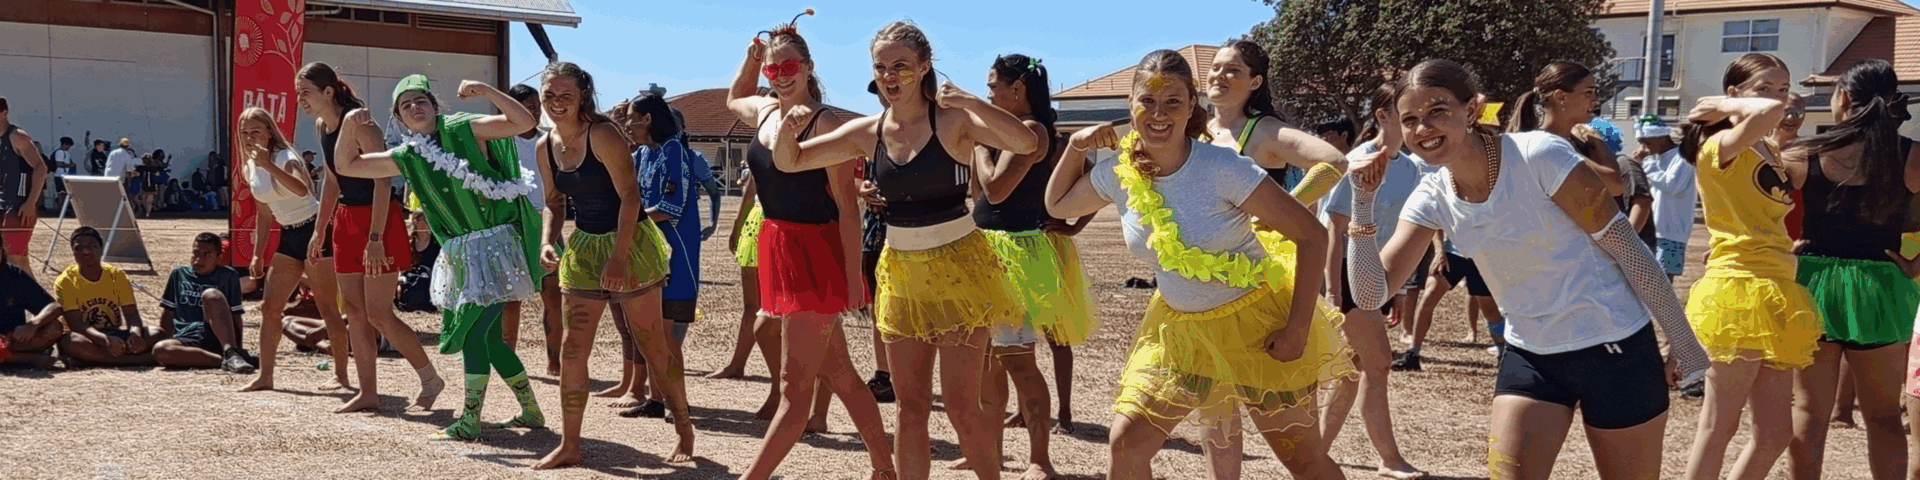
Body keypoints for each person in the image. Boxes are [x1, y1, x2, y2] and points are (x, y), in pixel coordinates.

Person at [1347, 59, 1708, 480]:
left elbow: (1630, 250)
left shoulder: (1538, 154)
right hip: (1532, 356)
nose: (1423, 127)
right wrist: (1361, 203)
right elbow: (1373, 294)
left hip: (1615, 347)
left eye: (1438, 110)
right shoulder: (1431, 194)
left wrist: (1684, 344)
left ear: (1472, 108)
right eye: (1410, 120)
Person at [1042, 49, 1348, 480]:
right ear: (1130, 105)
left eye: (1172, 102)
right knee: (1126, 446)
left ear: (1192, 107)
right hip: (1179, 331)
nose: (1158, 113)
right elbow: (1056, 204)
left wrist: (1297, 329)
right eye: (1147, 101)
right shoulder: (1120, 172)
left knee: (1303, 460)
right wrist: (1075, 146)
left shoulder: (1223, 167)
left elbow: (1311, 236)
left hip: (1257, 323)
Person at [773, 20, 1041, 480]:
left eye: (901, 66)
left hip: (961, 269)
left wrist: (971, 101)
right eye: (881, 67)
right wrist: (787, 127)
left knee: (961, 407)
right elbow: (791, 160)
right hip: (900, 271)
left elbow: (1027, 143)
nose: (890, 76)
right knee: (910, 407)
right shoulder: (868, 131)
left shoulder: (953, 120)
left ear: (924, 67)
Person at [726, 16, 900, 479]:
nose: (781, 75)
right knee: (840, 374)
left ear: (808, 67)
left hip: (816, 252)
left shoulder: (829, 123)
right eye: (772, 69)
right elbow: (731, 98)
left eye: (789, 67)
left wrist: (852, 278)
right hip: (779, 245)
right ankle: (886, 468)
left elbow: (847, 206)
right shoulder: (763, 111)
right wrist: (748, 61)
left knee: (792, 388)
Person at [334, 73, 547, 443]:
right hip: (463, 254)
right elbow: (348, 166)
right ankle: (530, 409)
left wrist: (484, 91)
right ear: (399, 120)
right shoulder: (408, 156)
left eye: (421, 100)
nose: (414, 107)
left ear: (435, 106)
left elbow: (525, 122)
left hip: (495, 246)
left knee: (476, 335)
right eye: (405, 105)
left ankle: (470, 419)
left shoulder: (466, 128)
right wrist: (348, 126)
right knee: (491, 340)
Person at [1197, 40, 1364, 480]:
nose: (1219, 76)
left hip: (1265, 281)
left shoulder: (1264, 131)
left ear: (1255, 82)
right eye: (1215, 68)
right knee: (1217, 412)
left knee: (1296, 434)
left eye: (1233, 70)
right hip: (1205, 283)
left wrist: (1284, 208)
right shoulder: (1196, 131)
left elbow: (1332, 161)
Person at [527, 64, 689, 465]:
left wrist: (618, 258)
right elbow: (553, 202)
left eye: (565, 95)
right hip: (583, 247)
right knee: (572, 348)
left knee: (653, 344)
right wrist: (547, 241)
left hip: (629, 244)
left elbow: (631, 197)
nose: (556, 103)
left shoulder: (602, 133)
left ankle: (685, 430)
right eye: (549, 95)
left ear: (584, 95)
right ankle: (570, 443)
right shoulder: (544, 145)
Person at [1677, 53, 1822, 480]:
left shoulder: (1768, 148)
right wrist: (1724, 107)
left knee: (1775, 432)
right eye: (1764, 87)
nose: (1779, 98)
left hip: (1777, 286)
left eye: (1783, 87)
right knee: (1718, 425)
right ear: (1735, 93)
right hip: (1740, 289)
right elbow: (1775, 113)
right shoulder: (1718, 146)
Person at [957, 52, 1097, 480]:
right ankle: (993, 454)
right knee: (986, 362)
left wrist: (1073, 225)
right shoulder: (1006, 132)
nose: (988, 94)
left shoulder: (1033, 131)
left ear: (1017, 89)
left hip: (1015, 254)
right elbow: (978, 191)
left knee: (1018, 360)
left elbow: (995, 190)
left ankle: (1040, 459)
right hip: (986, 247)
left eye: (993, 86)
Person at [1779, 59, 1919, 480]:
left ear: (1841, 96)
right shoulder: (1912, 155)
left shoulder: (1803, 153)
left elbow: (1754, 210)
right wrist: (1916, 264)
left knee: (1808, 413)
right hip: (1881, 285)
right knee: (1883, 417)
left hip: (1814, 284)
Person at [297, 62, 445, 414]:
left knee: (379, 313)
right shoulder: (323, 125)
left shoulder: (360, 122)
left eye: (305, 92)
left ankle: (430, 378)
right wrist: (321, 228)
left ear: (328, 92)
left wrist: (375, 237)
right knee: (355, 312)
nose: (300, 99)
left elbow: (383, 181)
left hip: (378, 220)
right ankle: (368, 392)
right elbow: (332, 179)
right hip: (347, 218)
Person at [1318, 86, 1431, 479]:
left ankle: (1315, 453)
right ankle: (1389, 459)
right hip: (1344, 275)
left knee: (1353, 368)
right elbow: (1334, 228)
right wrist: (1333, 292)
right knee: (1379, 363)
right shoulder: (1357, 160)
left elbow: (1402, 234)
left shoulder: (1412, 168)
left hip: (1375, 277)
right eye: (1408, 114)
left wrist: (1396, 289)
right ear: (1383, 116)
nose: (1420, 123)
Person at [232, 106, 350, 392]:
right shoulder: (249, 165)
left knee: (327, 308)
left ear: (269, 131)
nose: (249, 137)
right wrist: (258, 252)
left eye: (256, 131)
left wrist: (269, 165)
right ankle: (266, 376)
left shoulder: (284, 157)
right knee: (269, 307)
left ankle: (341, 375)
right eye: (244, 133)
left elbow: (303, 190)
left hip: (313, 231)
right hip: (288, 235)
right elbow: (263, 212)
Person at [505, 83, 563, 377]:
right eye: (527, 107)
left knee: (553, 295)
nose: (534, 112)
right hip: (511, 225)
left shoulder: (550, 140)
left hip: (546, 223)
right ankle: (508, 359)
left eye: (536, 107)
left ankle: (554, 362)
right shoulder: (499, 143)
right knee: (510, 298)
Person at [54, 226, 163, 367]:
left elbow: (131, 314)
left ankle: (94, 359)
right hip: (86, 336)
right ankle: (138, 360)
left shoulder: (116, 275)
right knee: (70, 342)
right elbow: (76, 324)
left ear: (101, 249)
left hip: (114, 332)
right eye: (79, 248)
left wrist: (135, 335)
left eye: (92, 246)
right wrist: (104, 339)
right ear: (73, 252)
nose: (86, 252)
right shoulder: (65, 281)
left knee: (156, 333)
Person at [150, 232, 251, 371]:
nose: (199, 259)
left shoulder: (228, 275)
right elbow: (168, 311)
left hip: (217, 336)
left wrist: (237, 347)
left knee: (211, 295)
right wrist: (165, 338)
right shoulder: (178, 274)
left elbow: (236, 314)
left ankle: (231, 353)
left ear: (218, 259)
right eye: (195, 253)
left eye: (207, 255)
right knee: (161, 349)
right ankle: (223, 360)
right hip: (186, 337)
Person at [1635, 115, 1694, 282]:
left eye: (1647, 141)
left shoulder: (1682, 157)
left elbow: (1671, 185)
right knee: (1647, 281)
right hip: (1654, 229)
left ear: (1661, 137)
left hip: (1672, 231)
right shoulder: (1657, 159)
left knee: (1663, 283)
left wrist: (1646, 162)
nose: (1643, 147)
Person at [0, 230, 63, 368]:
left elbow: (54, 306)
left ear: (2, 249)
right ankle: (26, 359)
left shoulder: (14, 274)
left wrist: (32, 325)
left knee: (54, 327)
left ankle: (8, 356)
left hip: (15, 339)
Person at [0, 97, 47, 276]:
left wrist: (30, 203)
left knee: (16, 258)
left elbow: (41, 167)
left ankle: (36, 300)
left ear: (4, 113)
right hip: (2, 202)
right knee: (7, 257)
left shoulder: (17, 136)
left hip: (19, 205)